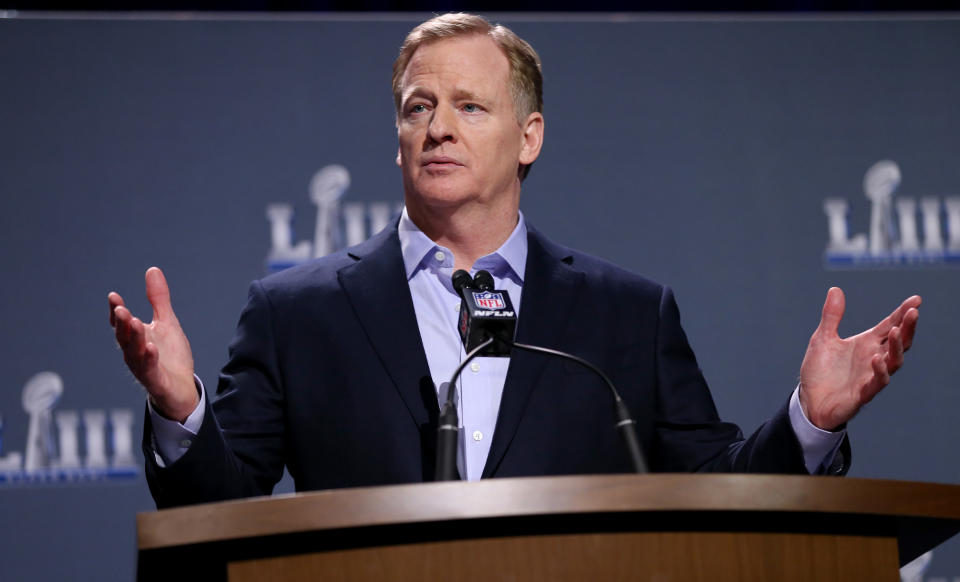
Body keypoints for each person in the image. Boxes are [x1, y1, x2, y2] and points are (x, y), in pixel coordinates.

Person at [108, 14, 920, 508]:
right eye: (417, 108)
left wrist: (811, 421)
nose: (437, 128)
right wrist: (184, 416)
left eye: (469, 106)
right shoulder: (297, 312)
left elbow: (721, 490)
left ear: (528, 136)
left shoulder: (627, 316)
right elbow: (221, 509)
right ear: (396, 138)